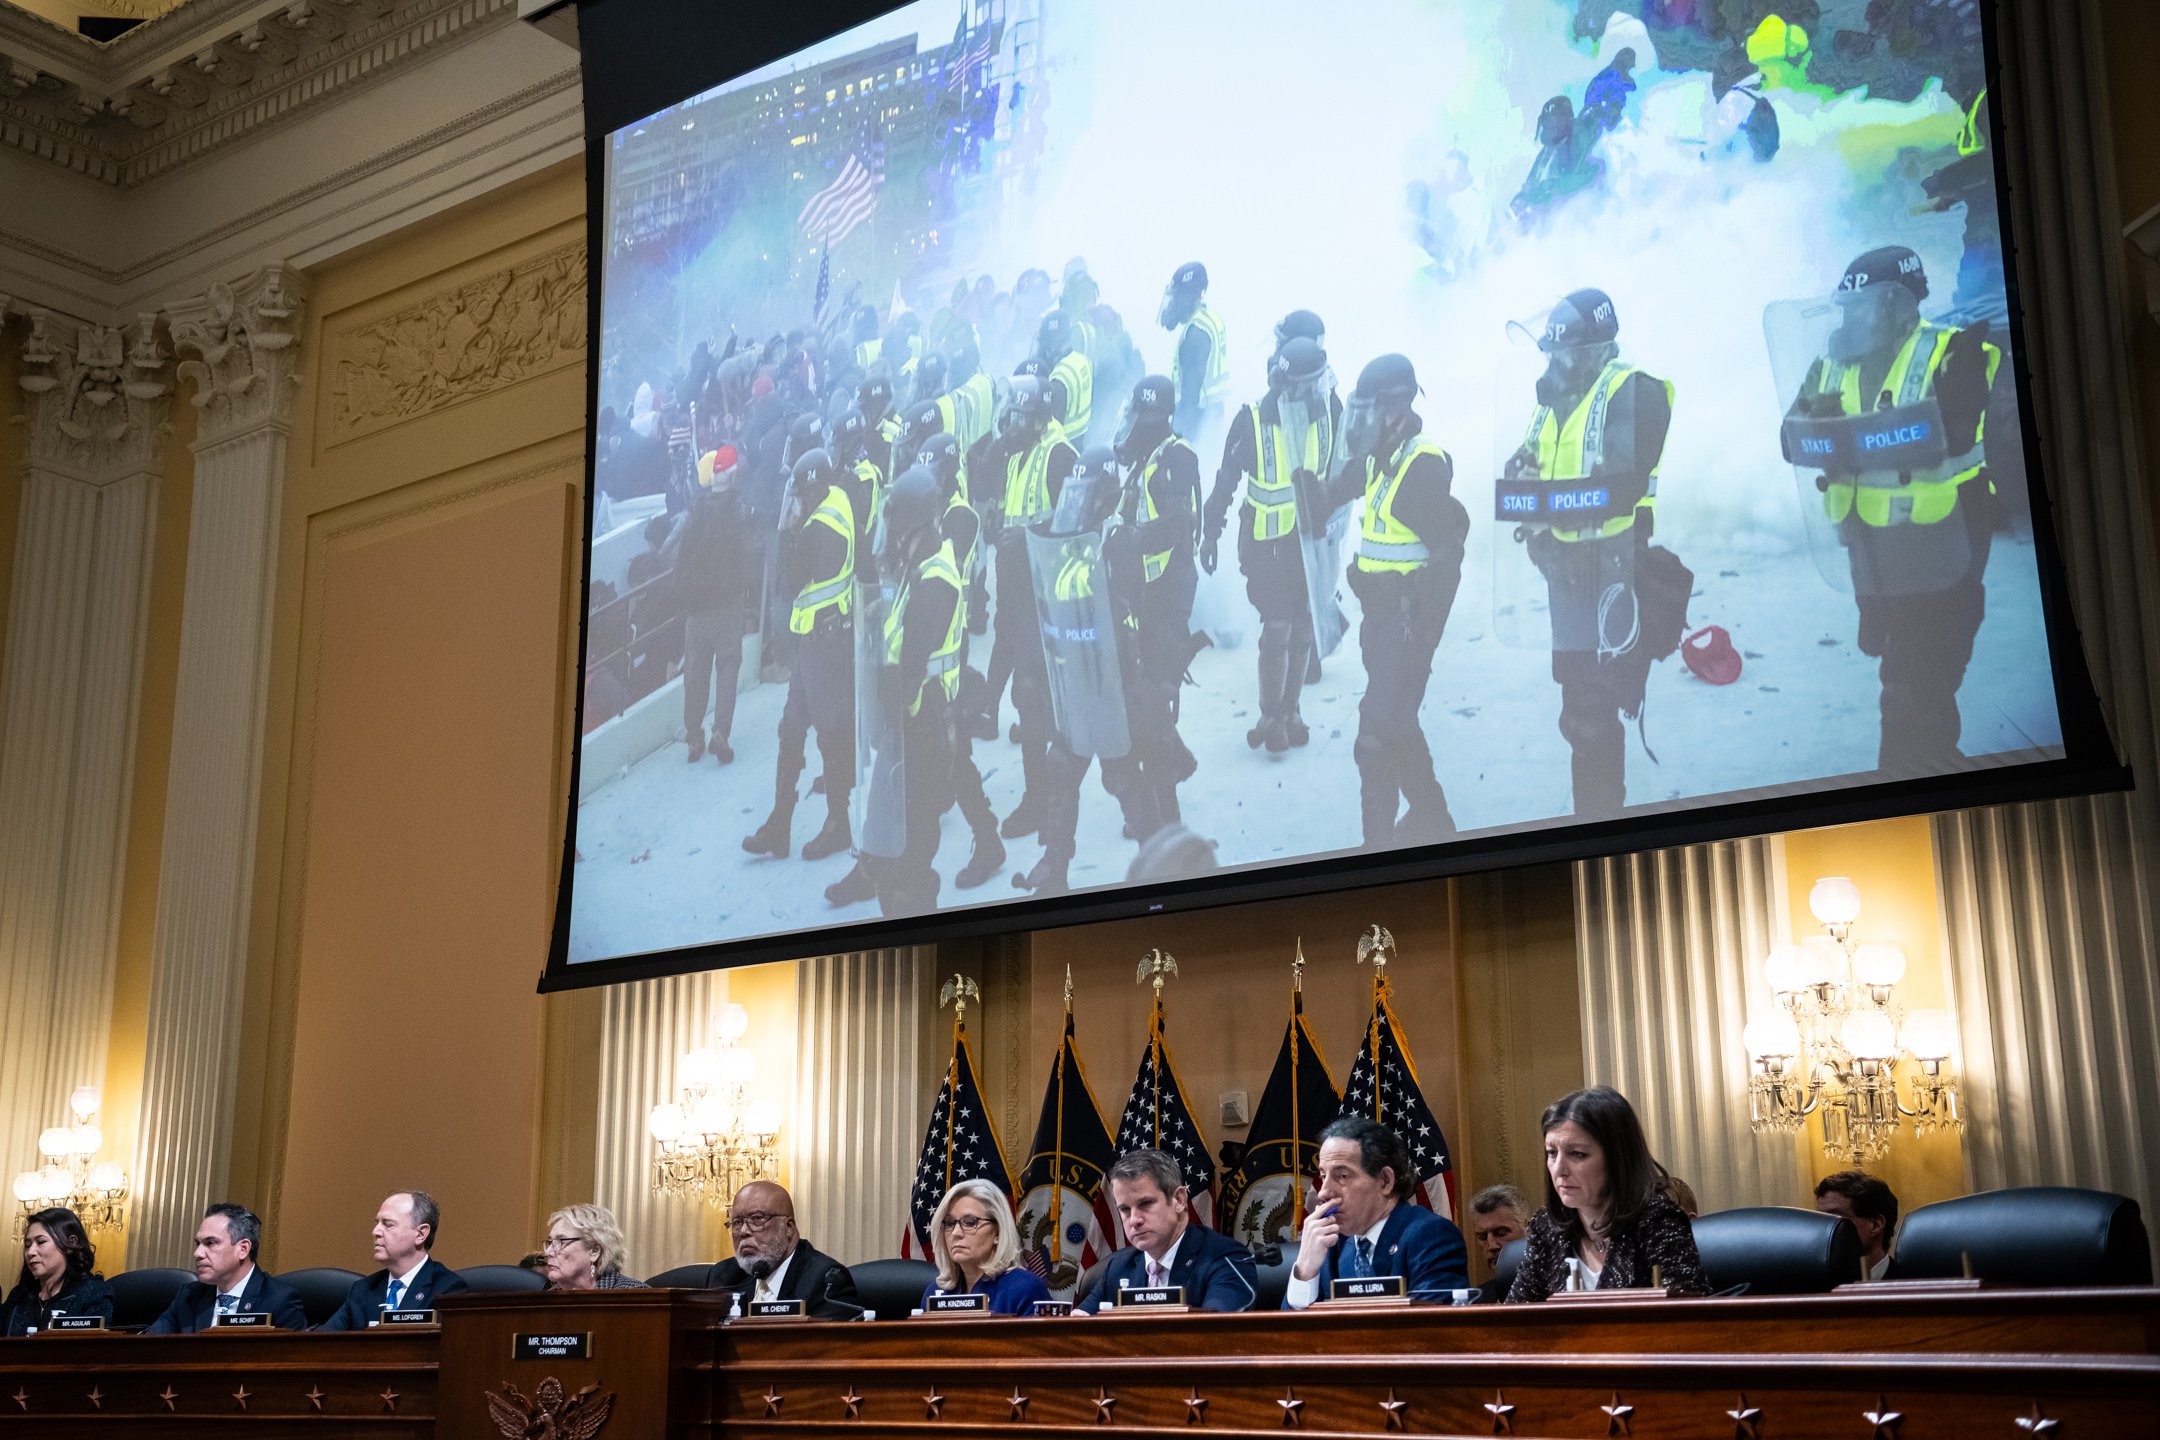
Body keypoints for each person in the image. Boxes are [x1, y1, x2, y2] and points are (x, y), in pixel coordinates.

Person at [1782, 246, 2001, 778]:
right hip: (1874, 558)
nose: (1848, 319)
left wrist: (1838, 438)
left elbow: (1942, 432)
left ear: (1897, 305)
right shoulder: (1831, 362)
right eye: (1846, 307)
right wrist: (1824, 433)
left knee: (1916, 689)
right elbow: (1791, 440)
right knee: (1908, 690)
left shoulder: (1955, 352)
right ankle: (1926, 786)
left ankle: (1910, 797)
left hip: (1946, 545)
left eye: (1860, 307)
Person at [1501, 289, 1677, 818]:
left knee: (1596, 710)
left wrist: (1545, 505)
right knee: (1577, 708)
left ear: (1597, 347)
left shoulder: (1633, 392)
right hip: (1563, 574)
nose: (1553, 363)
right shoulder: (1553, 401)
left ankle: (1600, 824)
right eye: (1549, 353)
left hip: (1612, 573)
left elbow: (1618, 487)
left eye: (1562, 353)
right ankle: (1592, 818)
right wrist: (1520, 481)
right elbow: (1522, 464)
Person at [1326, 353, 1467, 848]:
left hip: (1406, 628)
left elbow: (1449, 559)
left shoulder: (1421, 467)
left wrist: (1422, 633)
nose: (1360, 421)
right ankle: (1434, 818)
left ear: (1400, 406)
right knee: (1400, 723)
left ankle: (1376, 854)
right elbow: (1338, 489)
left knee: (1375, 740)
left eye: (1369, 410)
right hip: (1381, 622)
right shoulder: (1380, 458)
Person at [1014, 446, 1156, 894]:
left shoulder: (1120, 540)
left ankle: (1158, 865)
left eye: (1085, 494)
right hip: (1077, 673)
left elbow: (1128, 610)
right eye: (1072, 493)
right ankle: (1054, 869)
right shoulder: (1071, 539)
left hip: (1114, 682)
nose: (1076, 502)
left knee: (1121, 775)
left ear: (1106, 495)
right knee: (1062, 768)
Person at [1204, 329, 1340, 754]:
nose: (1320, 390)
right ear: (1288, 386)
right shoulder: (1251, 420)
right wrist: (1210, 532)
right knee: (1277, 629)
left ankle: (1291, 710)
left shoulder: (1328, 409)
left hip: (1307, 546)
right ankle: (1269, 713)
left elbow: (1343, 465)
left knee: (1302, 630)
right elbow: (1225, 481)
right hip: (1266, 548)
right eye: (1312, 384)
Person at [858, 467, 964, 915]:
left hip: (922, 731)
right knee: (888, 847)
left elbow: (909, 668)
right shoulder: (921, 572)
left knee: (913, 854)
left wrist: (883, 703)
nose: (893, 539)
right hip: (908, 731)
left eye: (897, 529)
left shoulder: (935, 583)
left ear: (914, 527)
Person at [744, 449, 857, 863]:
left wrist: (786, 529)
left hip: (824, 647)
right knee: (791, 729)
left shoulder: (813, 530)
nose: (798, 499)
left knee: (829, 737)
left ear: (812, 488)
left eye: (801, 492)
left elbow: (788, 582)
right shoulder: (839, 500)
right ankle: (780, 823)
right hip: (822, 641)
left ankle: (838, 824)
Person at [1504, 1086, 1708, 1301]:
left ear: (1617, 1159)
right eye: (1552, 1153)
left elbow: (1690, 1319)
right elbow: (1513, 1318)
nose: (1559, 1169)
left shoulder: (1658, 1222)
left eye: (1577, 1154)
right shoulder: (1546, 1228)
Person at [987, 376, 1076, 842]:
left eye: (1019, 415)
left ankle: (1041, 801)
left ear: (1038, 418)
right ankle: (1044, 796)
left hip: (1047, 603)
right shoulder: (1020, 454)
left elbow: (1078, 523)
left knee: (1033, 700)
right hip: (1022, 601)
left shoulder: (1059, 454)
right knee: (1030, 701)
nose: (1011, 422)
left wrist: (1028, 536)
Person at [1113, 373, 1204, 821]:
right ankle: (1165, 781)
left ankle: (1168, 816)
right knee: (1143, 699)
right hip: (1143, 596)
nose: (1131, 423)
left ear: (1153, 417)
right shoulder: (1144, 459)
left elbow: (1178, 521)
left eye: (1137, 414)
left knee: (1154, 700)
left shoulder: (1177, 458)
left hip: (1167, 597)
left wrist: (1132, 539)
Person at [1284, 1115, 1469, 1307]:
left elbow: (1436, 1329)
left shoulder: (1431, 1236)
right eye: (1323, 1176)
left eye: (1343, 1176)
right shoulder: (1328, 1244)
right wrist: (1305, 1270)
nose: (1323, 1192)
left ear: (1385, 1181)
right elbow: (1286, 1334)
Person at [1078, 1149, 1257, 1313]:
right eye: (1125, 1209)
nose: (1134, 1220)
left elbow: (1214, 1334)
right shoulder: (1119, 1267)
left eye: (1145, 1204)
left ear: (1179, 1200)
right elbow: (1074, 1329)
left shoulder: (1227, 1260)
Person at [671, 446, 762, 765]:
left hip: (696, 610)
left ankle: (693, 736)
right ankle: (720, 732)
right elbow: (749, 555)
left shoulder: (696, 511)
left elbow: (681, 559)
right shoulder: (739, 510)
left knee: (695, 674)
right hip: (726, 606)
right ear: (732, 473)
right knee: (727, 668)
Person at [705, 1181, 863, 1318]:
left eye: (757, 1219)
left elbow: (825, 1347)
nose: (743, 1231)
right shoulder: (724, 1277)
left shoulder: (825, 1280)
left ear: (788, 1228)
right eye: (737, 1223)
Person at [144, 1202, 309, 1332]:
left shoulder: (280, 1300)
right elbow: (150, 1347)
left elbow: (292, 1366)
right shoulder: (188, 1296)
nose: (198, 1253)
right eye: (198, 1243)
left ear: (243, 1249)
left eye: (210, 1243)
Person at [317, 1190, 469, 1330]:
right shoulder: (361, 1290)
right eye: (376, 1223)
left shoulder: (448, 1290)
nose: (375, 1232)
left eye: (388, 1224)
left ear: (420, 1234)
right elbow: (322, 1344)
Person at [920, 1177, 1050, 1315]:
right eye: (950, 1223)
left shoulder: (1025, 1289)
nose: (956, 1233)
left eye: (970, 1222)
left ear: (998, 1232)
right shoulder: (935, 1293)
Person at [3, 1207, 112, 1335]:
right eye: (27, 1245)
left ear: (71, 1244)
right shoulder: (19, 1295)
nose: (30, 1252)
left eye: (41, 1242)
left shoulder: (94, 1293)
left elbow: (93, 1350)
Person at [1159, 261, 1228, 451]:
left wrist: (1175, 442)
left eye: (1176, 298)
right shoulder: (1210, 318)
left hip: (1198, 423)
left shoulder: (1195, 336)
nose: (1171, 304)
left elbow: (1190, 398)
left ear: (1189, 297)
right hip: (1212, 415)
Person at [1814, 1169, 1899, 1281]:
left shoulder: (1913, 1284)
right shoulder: (1813, 1283)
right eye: (1819, 1218)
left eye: (1834, 1218)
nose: (1823, 1229)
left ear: (1875, 1225)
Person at [542, 1204, 646, 1291]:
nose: (548, 1252)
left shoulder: (633, 1294)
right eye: (550, 1242)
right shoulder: (547, 1299)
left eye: (561, 1241)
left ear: (594, 1251)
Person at [1037, 309, 1095, 445]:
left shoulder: (1059, 379)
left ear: (1054, 344)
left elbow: (1051, 427)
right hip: (1081, 437)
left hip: (1063, 442)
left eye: (1045, 344)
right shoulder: (1083, 361)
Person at [1469, 1184, 1531, 1272]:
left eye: (1501, 1233)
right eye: (1483, 1237)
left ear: (1528, 1231)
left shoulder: (1555, 1283)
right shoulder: (1477, 1286)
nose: (1491, 1246)